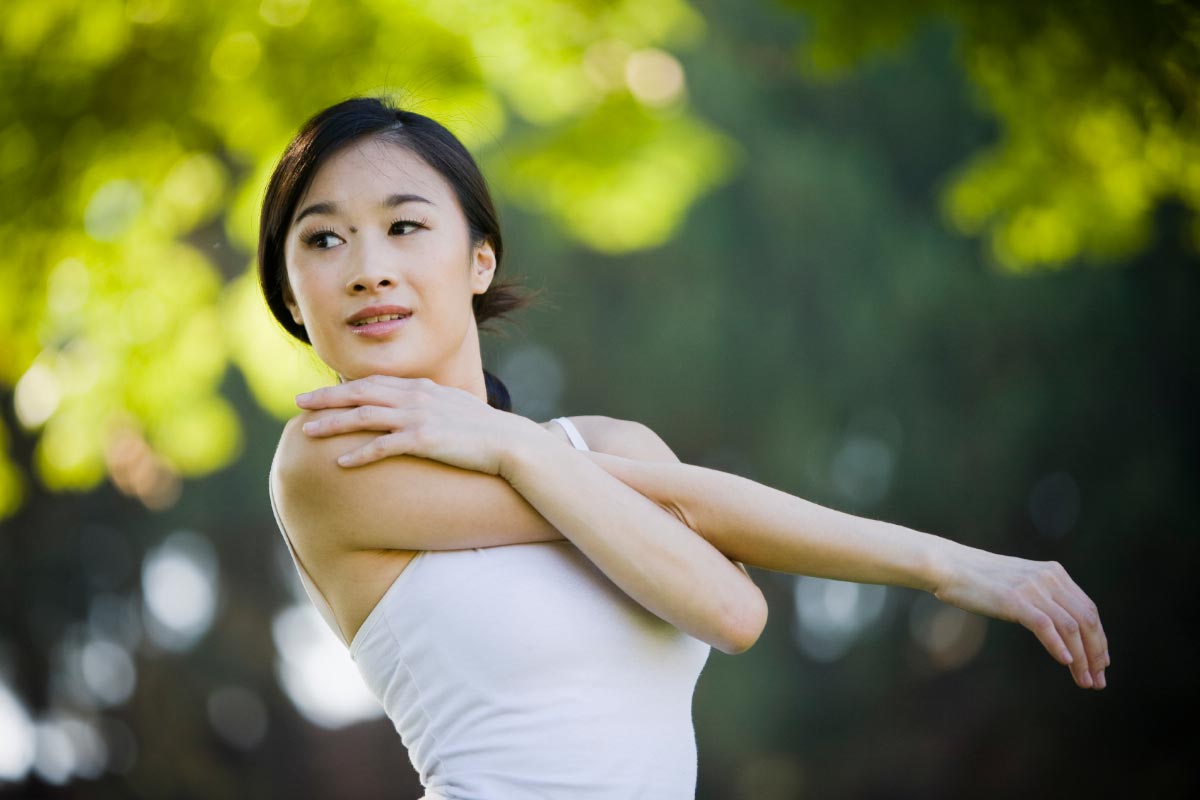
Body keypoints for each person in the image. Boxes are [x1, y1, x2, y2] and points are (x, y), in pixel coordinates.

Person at [260, 96, 1109, 799]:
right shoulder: (330, 457)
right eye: (323, 238)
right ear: (294, 295)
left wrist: (512, 444)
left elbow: (730, 610)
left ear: (480, 260)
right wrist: (513, 449)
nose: (367, 268)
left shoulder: (606, 444)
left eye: (404, 226)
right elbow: (703, 534)